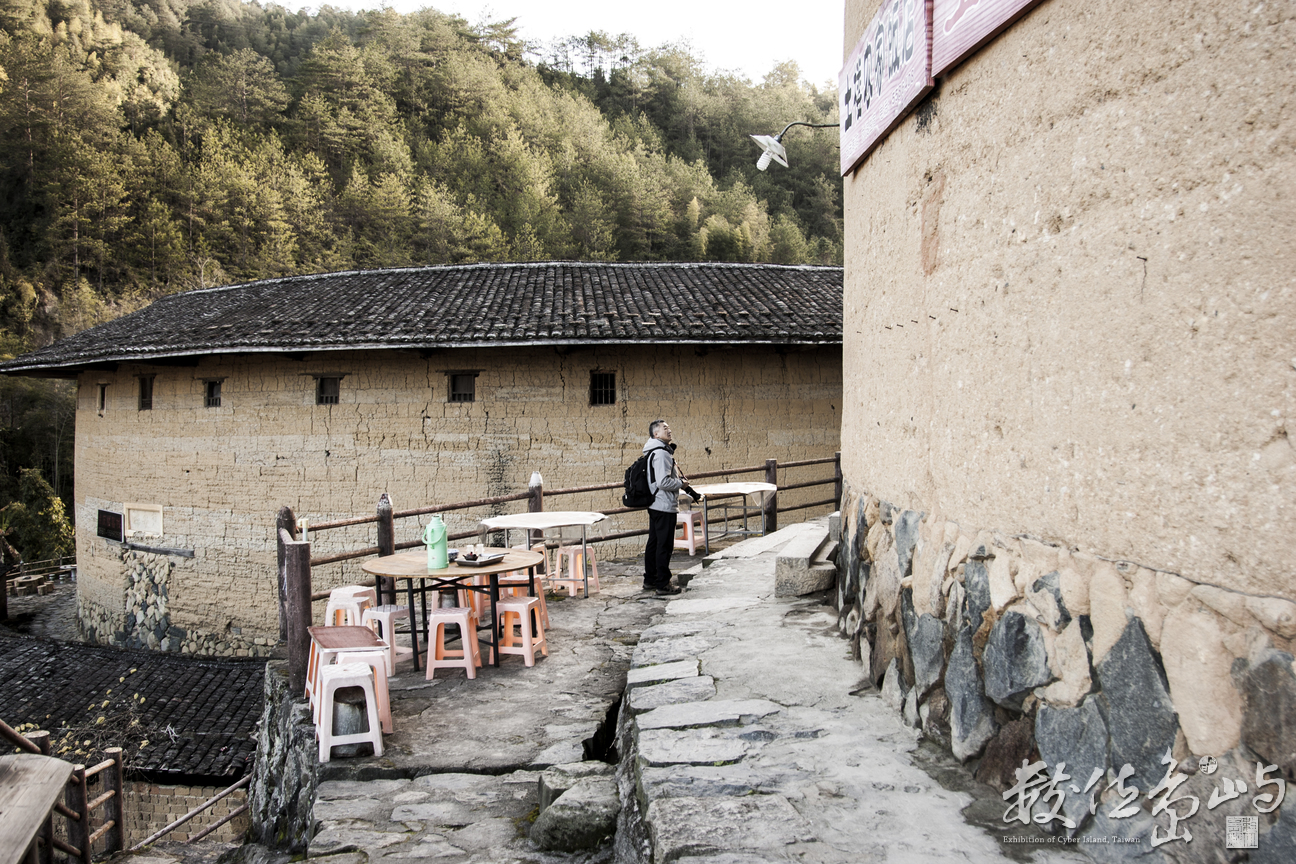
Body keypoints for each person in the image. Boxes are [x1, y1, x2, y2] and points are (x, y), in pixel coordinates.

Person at [642, 419, 699, 595]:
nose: (669, 430)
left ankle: (650, 580)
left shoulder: (652, 451)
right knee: (664, 546)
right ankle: (663, 584)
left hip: (655, 503)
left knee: (654, 543)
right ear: (655, 434)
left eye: (669, 427)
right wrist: (681, 484)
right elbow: (663, 481)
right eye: (665, 428)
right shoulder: (661, 453)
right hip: (664, 504)